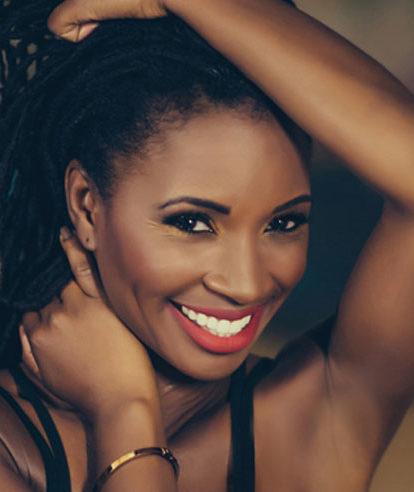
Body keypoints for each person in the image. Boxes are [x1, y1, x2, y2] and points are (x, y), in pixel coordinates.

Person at [0, 0, 413, 490]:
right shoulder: (11, 446)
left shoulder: (311, 415)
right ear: (86, 205)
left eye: (283, 223)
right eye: (193, 222)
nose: (246, 284)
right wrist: (125, 410)